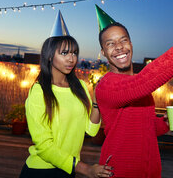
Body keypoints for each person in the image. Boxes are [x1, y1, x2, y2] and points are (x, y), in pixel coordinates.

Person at [95, 2, 173, 177]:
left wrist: (167, 123)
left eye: (123, 40)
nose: (119, 47)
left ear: (131, 44)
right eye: (110, 44)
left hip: (150, 170)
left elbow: (144, 126)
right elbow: (146, 79)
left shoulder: (137, 85)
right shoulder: (106, 86)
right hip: (120, 171)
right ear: (103, 52)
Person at [20, 11, 113, 178]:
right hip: (41, 171)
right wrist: (86, 169)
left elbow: (91, 131)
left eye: (74, 53)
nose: (71, 59)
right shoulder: (39, 92)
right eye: (64, 53)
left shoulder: (80, 87)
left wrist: (96, 102)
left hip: (70, 170)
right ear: (49, 56)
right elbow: (43, 145)